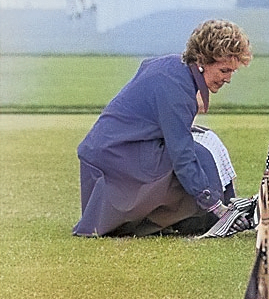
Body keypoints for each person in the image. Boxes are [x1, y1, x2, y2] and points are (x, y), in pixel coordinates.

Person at [73, 19, 253, 237]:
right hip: (114, 160)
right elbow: (182, 155)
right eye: (224, 70)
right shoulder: (176, 89)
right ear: (203, 60)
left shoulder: (175, 69)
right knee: (198, 155)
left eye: (232, 71)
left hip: (113, 152)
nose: (228, 79)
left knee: (206, 141)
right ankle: (217, 215)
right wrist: (214, 205)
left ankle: (227, 207)